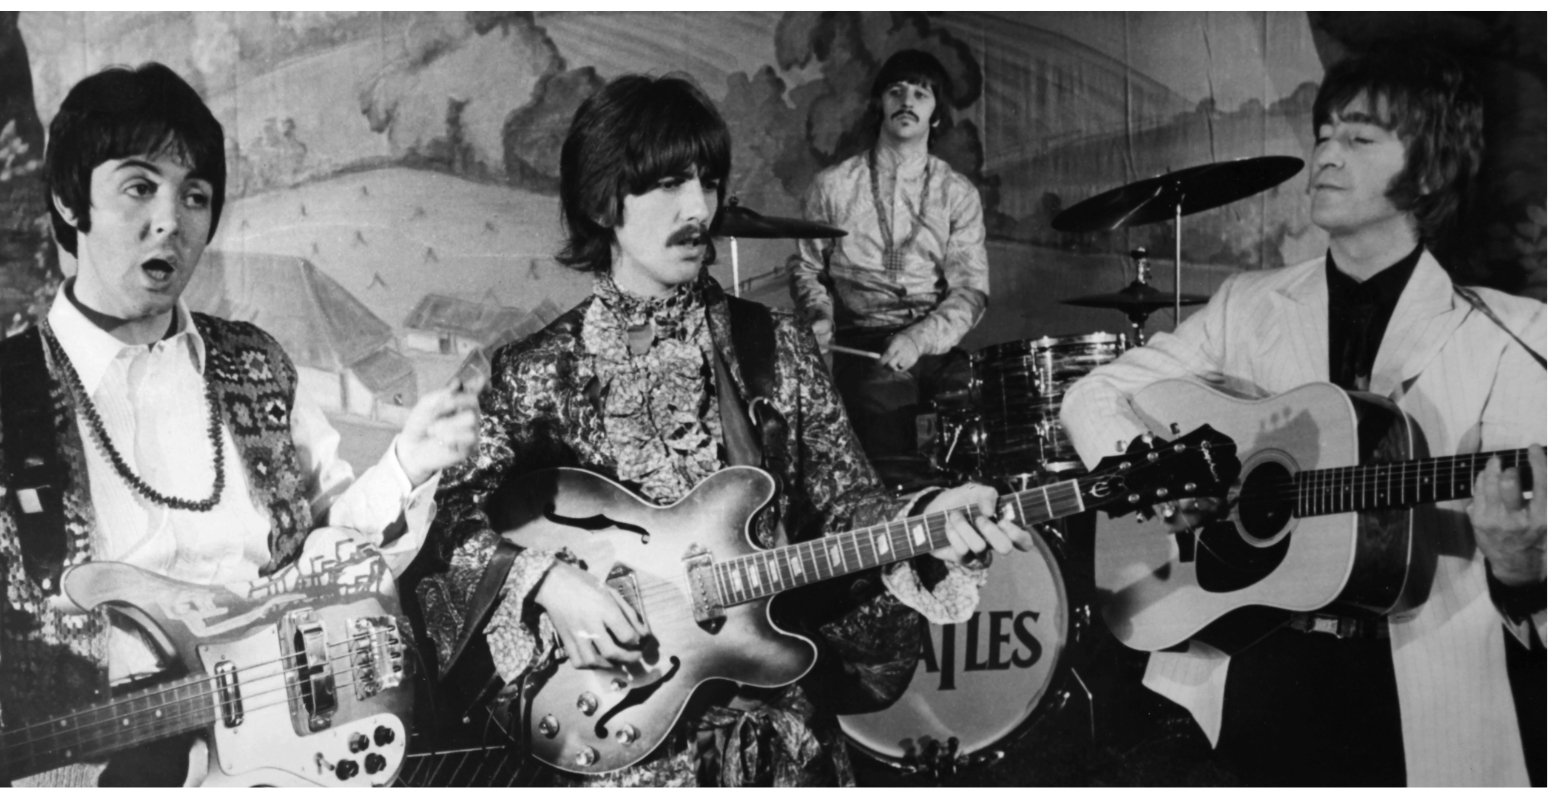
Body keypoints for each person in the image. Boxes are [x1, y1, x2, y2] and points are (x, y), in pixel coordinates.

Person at [410, 73, 1032, 787]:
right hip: (618, 742)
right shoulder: (534, 372)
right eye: (670, 183)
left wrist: (926, 520)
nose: (699, 207)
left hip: (775, 737)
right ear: (603, 198)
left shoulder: (772, 348)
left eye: (708, 182)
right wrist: (549, 582)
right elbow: (449, 521)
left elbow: (848, 502)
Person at [0, 62, 483, 786]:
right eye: (139, 187)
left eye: (196, 196)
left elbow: (332, 560)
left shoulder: (256, 364)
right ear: (68, 198)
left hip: (290, 766)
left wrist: (406, 464)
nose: (171, 221)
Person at [1059, 49, 1545, 786]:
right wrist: (1165, 482)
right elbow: (1091, 396)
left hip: (1418, 681)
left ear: (1430, 167)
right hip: (1257, 667)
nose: (1324, 154)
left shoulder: (1514, 333)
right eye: (1323, 134)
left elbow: (1534, 548)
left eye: (1359, 138)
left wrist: (1519, 564)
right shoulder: (1249, 304)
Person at [787, 49, 989, 472]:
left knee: (983, 405)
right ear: (878, 102)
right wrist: (818, 316)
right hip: (862, 345)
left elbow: (971, 290)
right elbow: (807, 269)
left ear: (936, 116)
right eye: (896, 90)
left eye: (921, 93)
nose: (907, 101)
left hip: (934, 344)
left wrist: (920, 338)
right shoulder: (833, 186)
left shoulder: (958, 193)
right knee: (884, 410)